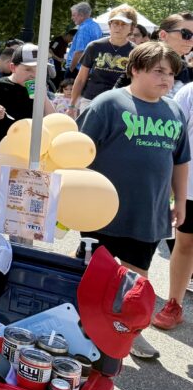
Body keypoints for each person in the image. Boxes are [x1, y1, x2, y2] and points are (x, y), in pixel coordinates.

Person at [78, 41, 189, 359]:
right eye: (158, 71)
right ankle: (81, 329)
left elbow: (181, 160)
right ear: (136, 70)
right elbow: (80, 152)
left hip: (148, 213)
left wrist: (180, 201)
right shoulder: (109, 104)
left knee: (135, 280)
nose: (166, 79)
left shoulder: (174, 110)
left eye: (170, 73)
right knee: (92, 275)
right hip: (103, 212)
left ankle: (127, 332)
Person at [153, 78, 193, 330]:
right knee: (185, 243)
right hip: (191, 187)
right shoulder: (189, 92)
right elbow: (173, 140)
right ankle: (174, 304)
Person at [0, 44, 54, 158]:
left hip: (24, 151)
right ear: (13, 67)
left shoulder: (38, 89)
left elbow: (52, 118)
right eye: (28, 69)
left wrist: (44, 96)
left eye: (39, 70)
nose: (34, 75)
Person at [67, 5, 137, 115]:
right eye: (115, 23)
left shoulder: (136, 52)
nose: (119, 27)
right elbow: (81, 79)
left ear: (131, 28)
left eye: (124, 24)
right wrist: (72, 105)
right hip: (91, 100)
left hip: (121, 103)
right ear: (110, 25)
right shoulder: (94, 46)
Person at [65, 2, 101, 78]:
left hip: (78, 69)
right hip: (91, 68)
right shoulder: (96, 26)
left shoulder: (83, 28)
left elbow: (79, 52)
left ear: (81, 15)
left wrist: (71, 69)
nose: (72, 18)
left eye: (73, 15)